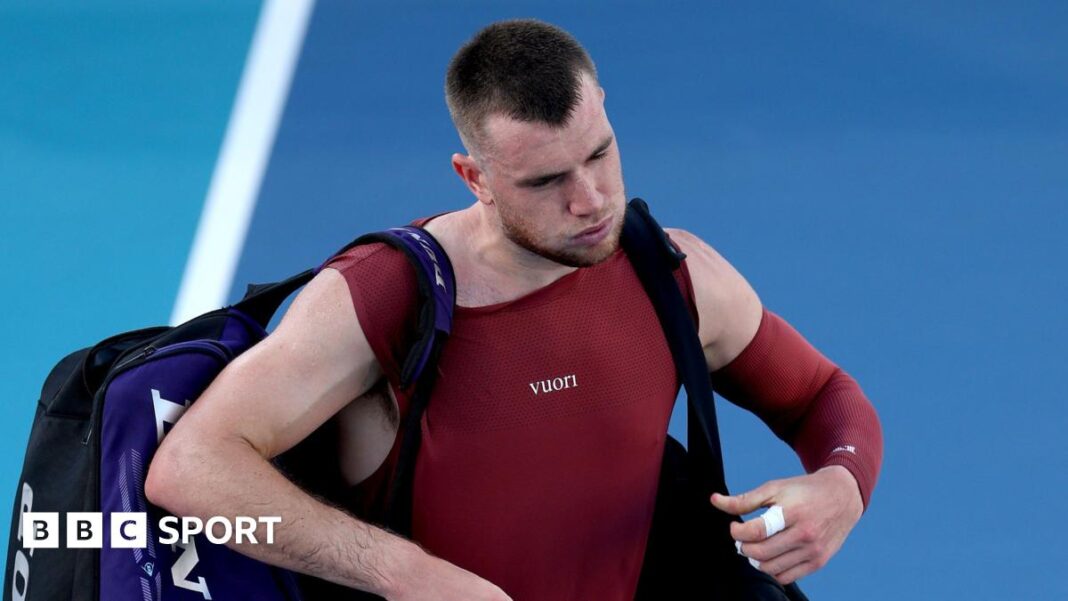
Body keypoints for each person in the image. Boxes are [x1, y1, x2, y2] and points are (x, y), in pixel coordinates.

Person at [146, 19, 882, 601]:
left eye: (599, 154)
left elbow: (823, 397)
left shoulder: (672, 276)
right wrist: (400, 572)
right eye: (546, 180)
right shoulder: (387, 298)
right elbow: (190, 466)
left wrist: (840, 486)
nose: (591, 201)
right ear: (475, 177)